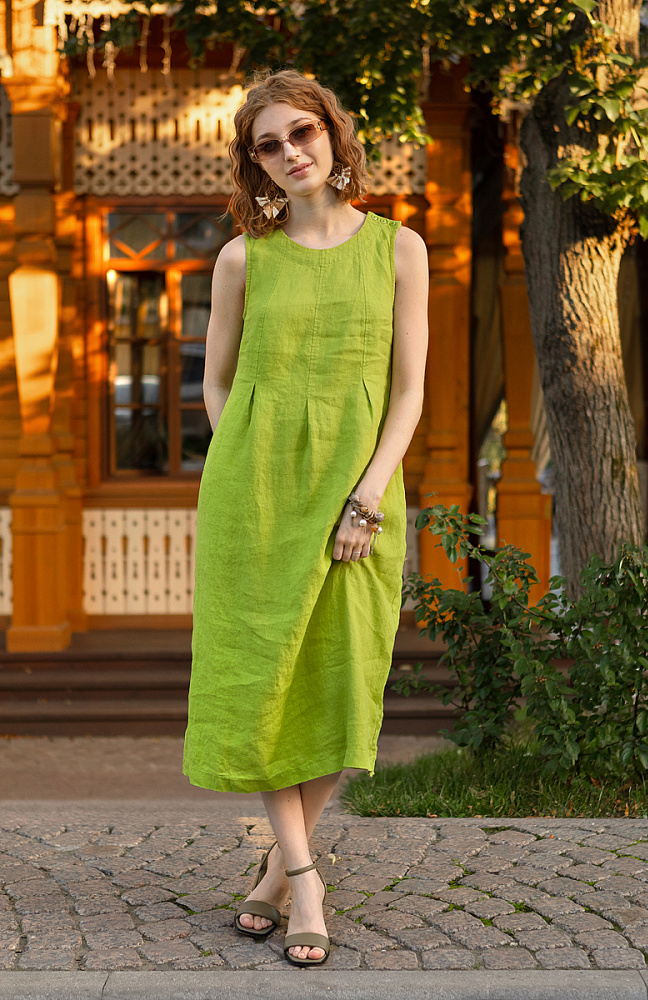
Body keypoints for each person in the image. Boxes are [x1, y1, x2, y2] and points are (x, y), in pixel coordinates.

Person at [182, 69, 429, 967]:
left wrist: (366, 497)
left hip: (361, 498)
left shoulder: (400, 248)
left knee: (337, 680)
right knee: (263, 684)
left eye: (302, 132)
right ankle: (302, 878)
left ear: (333, 133)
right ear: (254, 163)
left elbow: (409, 391)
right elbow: (215, 383)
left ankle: (271, 876)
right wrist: (248, 467)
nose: (290, 153)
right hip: (255, 502)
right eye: (269, 144)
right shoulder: (242, 259)